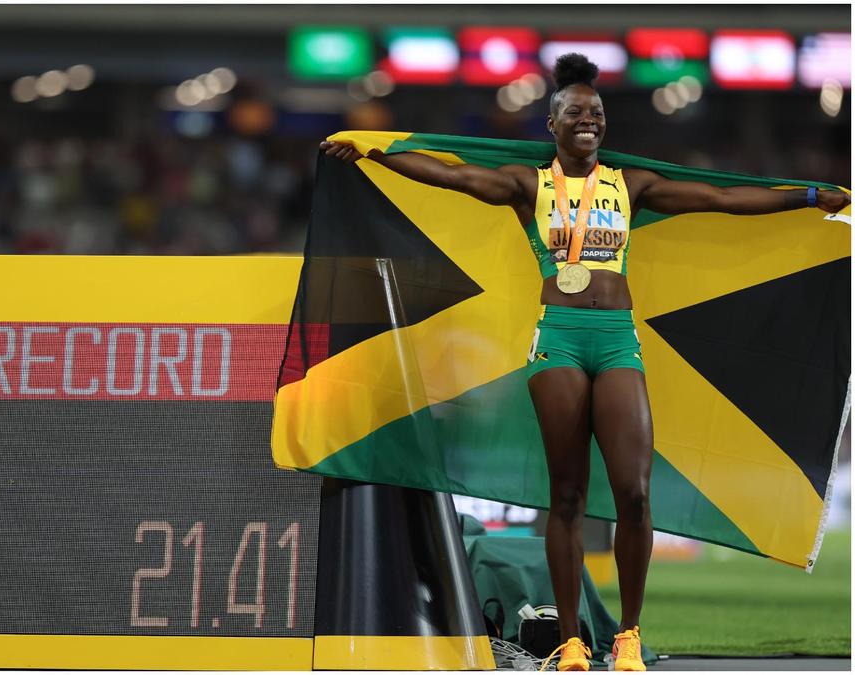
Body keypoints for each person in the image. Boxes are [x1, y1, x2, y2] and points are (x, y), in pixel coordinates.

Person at [321, 52, 850, 672]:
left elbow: (719, 198)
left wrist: (808, 194)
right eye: (575, 112)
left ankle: (627, 636)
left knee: (635, 492)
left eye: (596, 113)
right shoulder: (529, 185)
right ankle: (571, 642)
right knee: (566, 495)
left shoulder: (630, 186)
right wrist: (375, 153)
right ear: (553, 125)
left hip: (617, 338)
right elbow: (449, 176)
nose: (588, 120)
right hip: (560, 339)